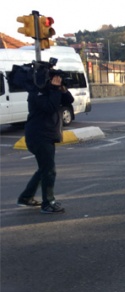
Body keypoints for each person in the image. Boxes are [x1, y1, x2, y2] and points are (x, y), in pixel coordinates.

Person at [17, 74, 74, 214]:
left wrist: (62, 89)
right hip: (39, 136)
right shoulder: (36, 93)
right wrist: (54, 89)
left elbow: (69, 100)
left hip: (46, 135)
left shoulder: (50, 91)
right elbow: (50, 107)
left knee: (44, 169)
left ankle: (26, 198)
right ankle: (48, 203)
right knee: (48, 170)